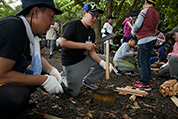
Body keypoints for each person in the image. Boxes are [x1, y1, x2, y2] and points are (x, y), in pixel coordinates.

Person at [0, 0, 64, 118]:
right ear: (35, 13)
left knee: (37, 76)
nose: (52, 22)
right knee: (17, 96)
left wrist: (51, 70)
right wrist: (43, 80)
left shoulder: (31, 34)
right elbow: (1, 74)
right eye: (51, 17)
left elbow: (36, 56)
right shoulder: (14, 28)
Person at [60, 2, 113, 97]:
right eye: (92, 15)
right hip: (71, 63)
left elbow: (91, 52)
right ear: (84, 13)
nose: (95, 18)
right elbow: (63, 43)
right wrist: (84, 45)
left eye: (97, 16)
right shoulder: (74, 24)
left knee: (108, 59)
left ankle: (88, 81)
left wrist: (102, 63)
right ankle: (63, 77)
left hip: (84, 59)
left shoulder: (91, 32)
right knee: (74, 93)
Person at [131, 0, 159, 91]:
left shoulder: (144, 11)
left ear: (146, 2)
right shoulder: (156, 14)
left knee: (141, 61)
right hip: (152, 38)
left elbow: (137, 25)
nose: (142, 6)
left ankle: (145, 83)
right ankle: (145, 80)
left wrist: (133, 32)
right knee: (146, 61)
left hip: (144, 39)